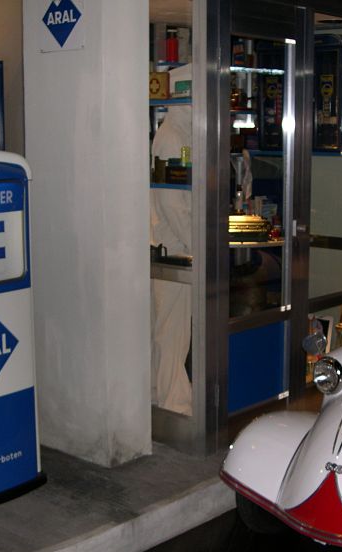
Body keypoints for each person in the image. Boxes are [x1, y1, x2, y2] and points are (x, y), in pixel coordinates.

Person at [150, 64, 192, 415]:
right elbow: (172, 203)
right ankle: (174, 406)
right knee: (172, 333)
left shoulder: (177, 133)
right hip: (173, 248)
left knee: (166, 331)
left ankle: (159, 399)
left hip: (172, 245)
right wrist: (197, 243)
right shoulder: (172, 137)